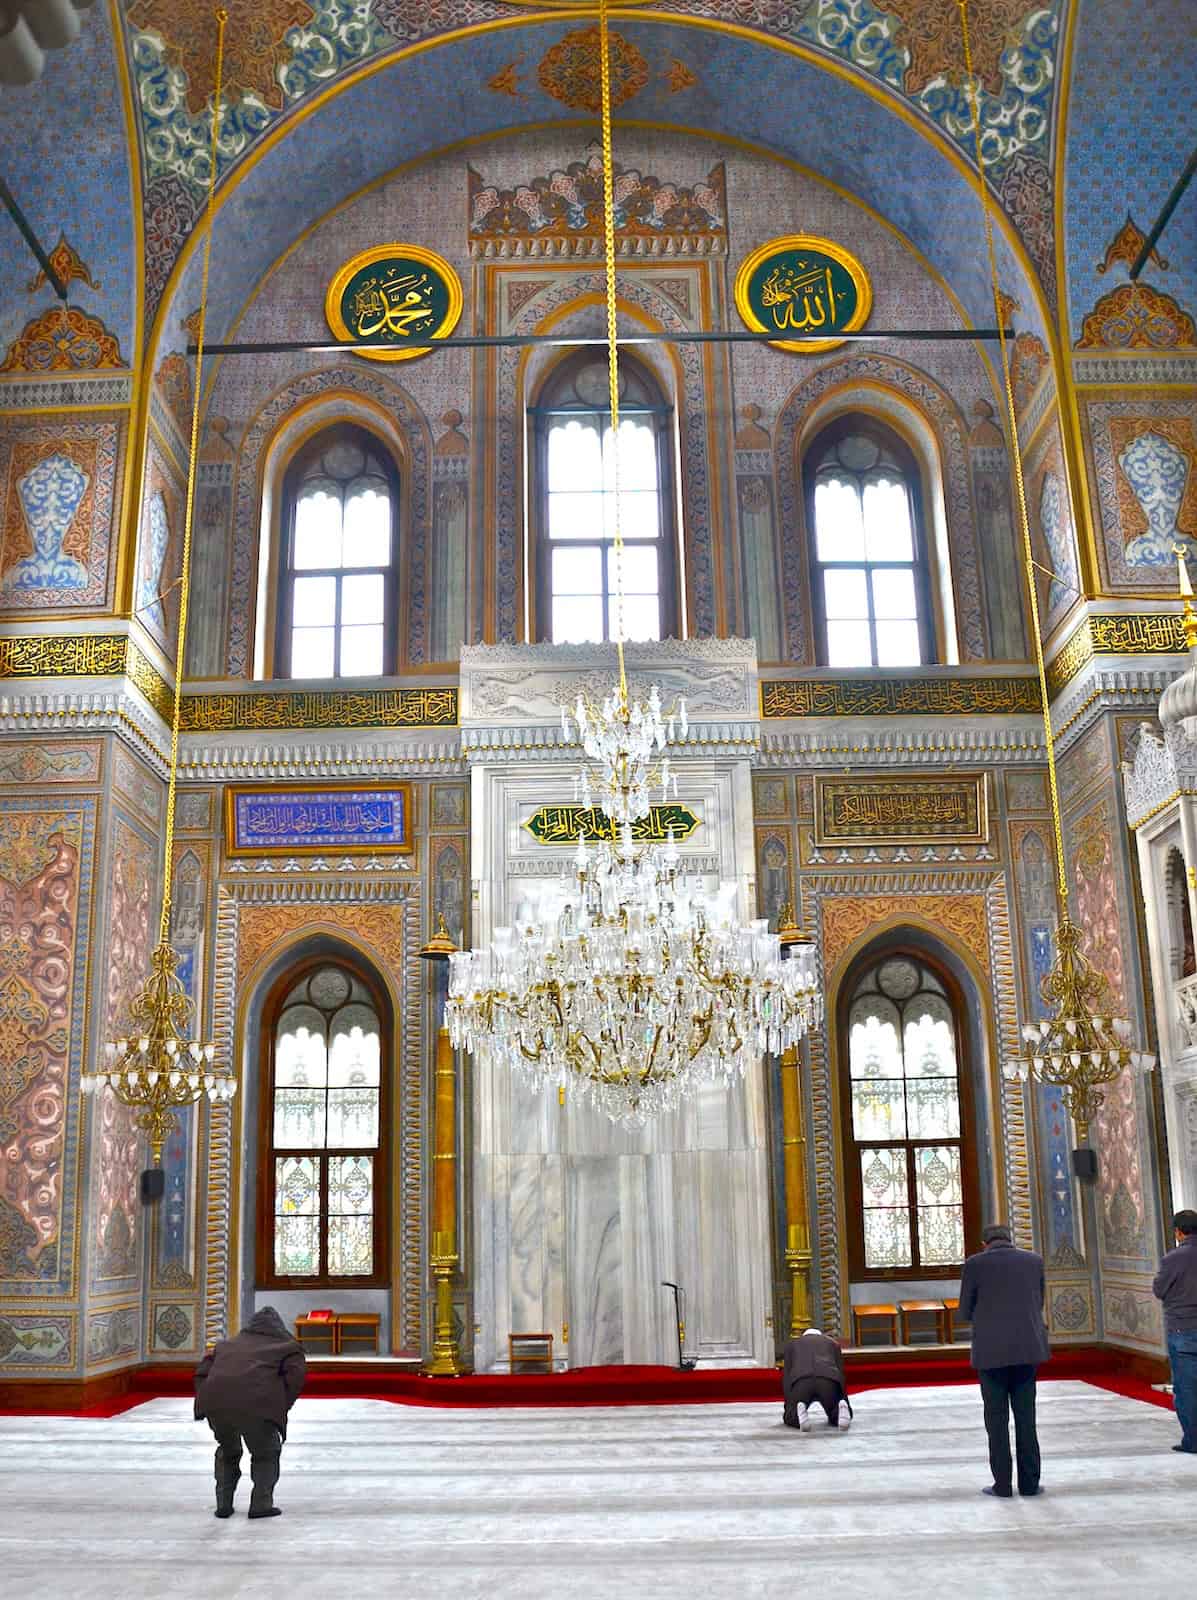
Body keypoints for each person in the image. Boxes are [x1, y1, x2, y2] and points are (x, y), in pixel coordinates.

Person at [959, 1222, 1050, 1499]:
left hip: (991, 1353)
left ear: (985, 1244)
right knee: (1026, 1419)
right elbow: (1039, 1301)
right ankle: (1030, 1484)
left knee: (996, 1421)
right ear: (1009, 1239)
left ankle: (1002, 1485)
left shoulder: (974, 1264)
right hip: (1026, 1350)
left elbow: (964, 1310)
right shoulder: (1033, 1261)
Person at [194, 1305, 307, 1519]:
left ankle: (223, 1504)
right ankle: (261, 1505)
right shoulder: (288, 1347)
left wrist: (208, 1398)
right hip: (259, 1406)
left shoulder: (225, 1346)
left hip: (217, 1405)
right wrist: (280, 1405)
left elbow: (202, 1372)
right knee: (265, 1453)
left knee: (228, 1451)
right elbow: (295, 1379)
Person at [1152, 1208, 1197, 1455]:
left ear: (1179, 1232)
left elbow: (1159, 1290)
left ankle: (1193, 1440)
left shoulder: (1173, 1259)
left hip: (1183, 1328)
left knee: (1187, 1388)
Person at [781, 1326, 852, 1432]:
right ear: (821, 1335)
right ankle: (839, 1412)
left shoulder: (791, 1345)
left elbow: (787, 1376)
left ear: (804, 1335)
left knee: (790, 1416)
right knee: (834, 1412)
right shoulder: (833, 1344)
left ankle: (799, 1416)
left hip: (801, 1381)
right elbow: (841, 1374)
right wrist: (843, 1399)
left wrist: (789, 1405)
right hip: (828, 1380)